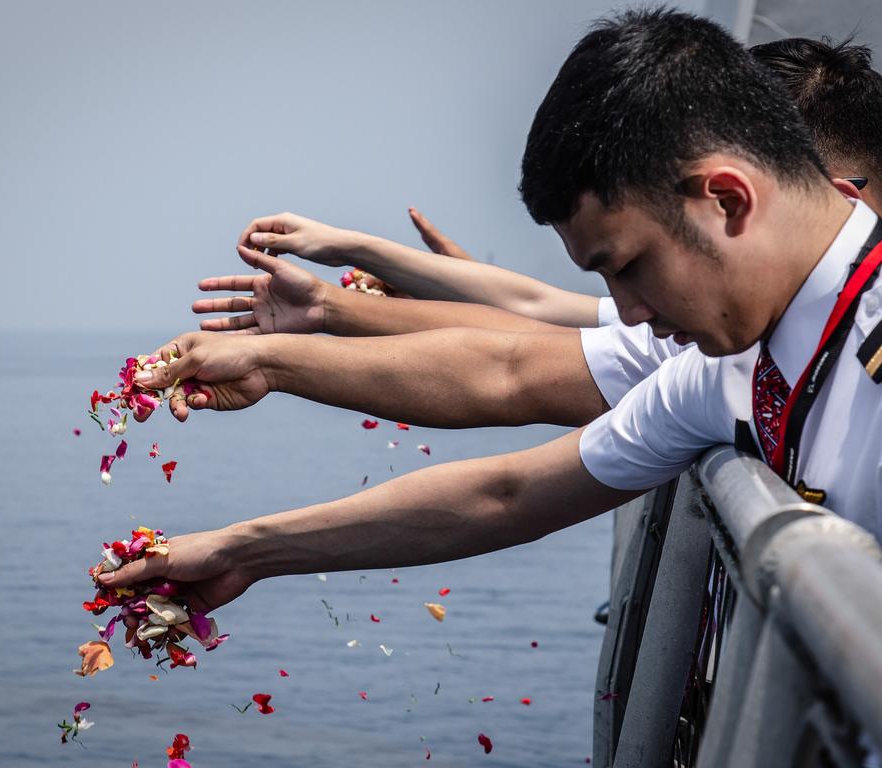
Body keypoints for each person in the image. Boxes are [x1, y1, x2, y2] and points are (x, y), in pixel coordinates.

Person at [101, 10, 881, 627]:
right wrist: (245, 551)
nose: (631, 313)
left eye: (630, 267)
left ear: (728, 199)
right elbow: (506, 491)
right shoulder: (723, 369)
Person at [191, 36, 882, 417]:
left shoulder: (740, 335)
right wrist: (341, 278)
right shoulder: (725, 344)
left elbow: (518, 364)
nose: (630, 310)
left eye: (629, 266)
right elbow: (536, 328)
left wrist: (312, 325)